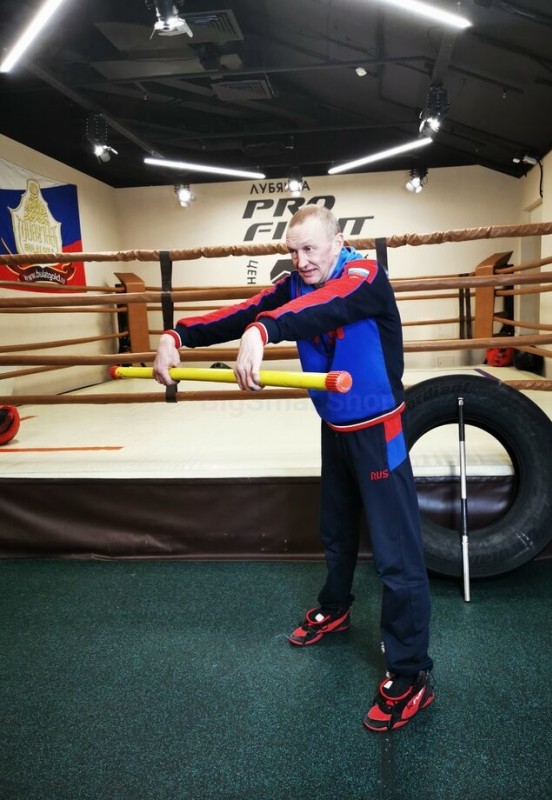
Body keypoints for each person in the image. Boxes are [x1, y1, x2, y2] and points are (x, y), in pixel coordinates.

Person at [153, 205, 434, 731]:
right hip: (336, 428)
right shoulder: (294, 284)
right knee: (336, 530)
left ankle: (411, 671)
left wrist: (265, 330)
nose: (301, 260)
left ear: (337, 242)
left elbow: (324, 307)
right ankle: (336, 607)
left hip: (379, 431)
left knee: (397, 556)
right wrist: (177, 335)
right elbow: (242, 311)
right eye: (293, 250)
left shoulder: (364, 275)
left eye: (310, 248)